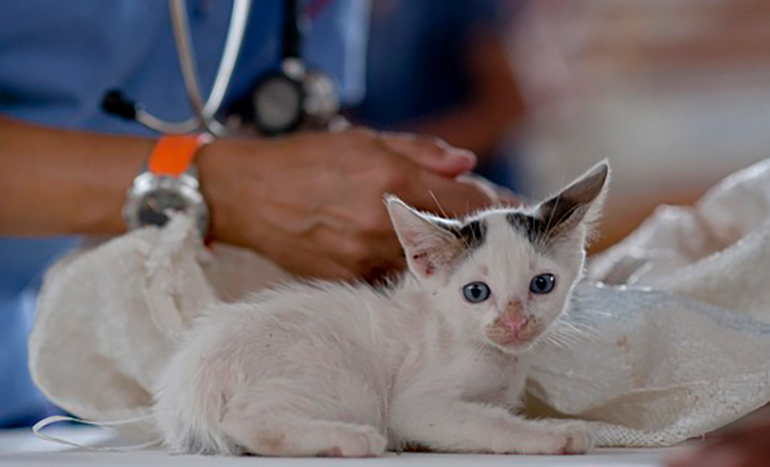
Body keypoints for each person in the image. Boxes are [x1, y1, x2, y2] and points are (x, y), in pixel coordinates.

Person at [0, 0, 509, 427]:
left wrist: (365, 200)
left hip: (40, 398)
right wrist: (219, 188)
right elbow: (254, 181)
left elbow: (287, 115)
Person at [351, 0, 525, 189]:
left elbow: (505, 109)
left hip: (470, 189)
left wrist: (404, 153)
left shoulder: (455, 7)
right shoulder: (341, 17)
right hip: (395, 193)